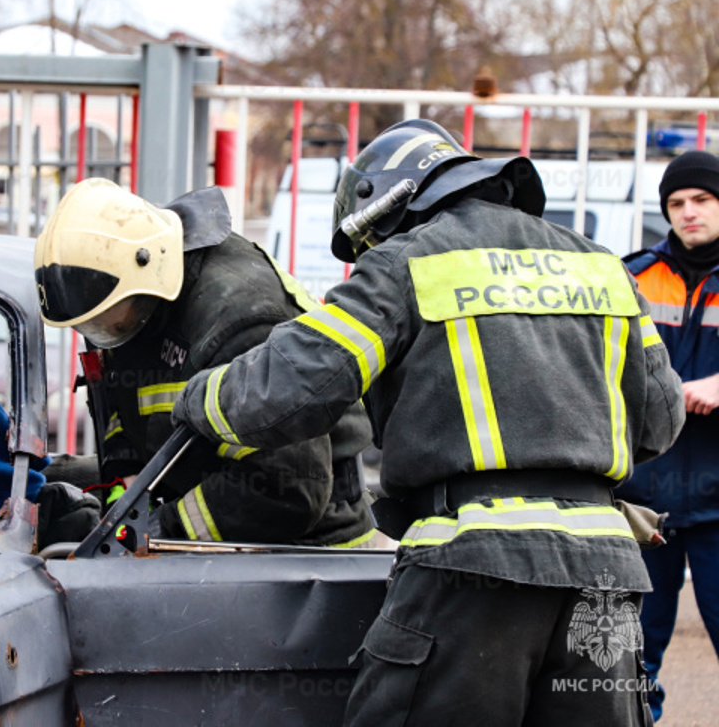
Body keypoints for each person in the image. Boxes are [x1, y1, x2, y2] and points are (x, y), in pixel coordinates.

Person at [171, 119, 685, 726]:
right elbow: (659, 420)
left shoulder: (406, 262)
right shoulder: (602, 266)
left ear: (390, 209)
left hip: (470, 573)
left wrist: (195, 400)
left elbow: (291, 389)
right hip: (603, 578)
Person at [34, 177, 376, 547]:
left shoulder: (240, 322)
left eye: (104, 321)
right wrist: (124, 497)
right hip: (212, 532)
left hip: (306, 554)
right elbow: (125, 405)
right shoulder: (134, 306)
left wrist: (154, 533)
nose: (103, 331)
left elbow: (287, 490)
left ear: (148, 269)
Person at [618, 149, 719, 721]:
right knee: (629, 659)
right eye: (676, 203)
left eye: (702, 200)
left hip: (718, 503)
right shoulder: (632, 277)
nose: (688, 213)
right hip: (644, 504)